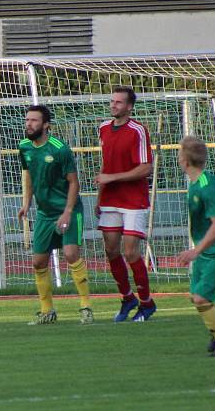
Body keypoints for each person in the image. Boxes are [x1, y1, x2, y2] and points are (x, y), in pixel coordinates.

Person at [17, 105, 93, 325]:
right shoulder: (24, 147)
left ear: (46, 125)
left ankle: (85, 307)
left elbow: (74, 182)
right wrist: (26, 203)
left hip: (68, 209)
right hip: (45, 213)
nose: (29, 124)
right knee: (38, 262)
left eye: (34, 120)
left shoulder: (60, 149)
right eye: (27, 120)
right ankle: (47, 311)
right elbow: (30, 175)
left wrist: (68, 212)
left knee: (70, 254)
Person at [95, 86, 157, 322]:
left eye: (119, 102)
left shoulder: (138, 130)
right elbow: (106, 164)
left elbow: (145, 168)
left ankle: (146, 303)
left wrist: (112, 178)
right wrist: (100, 196)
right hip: (110, 199)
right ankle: (127, 298)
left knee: (130, 251)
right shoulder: (103, 128)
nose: (114, 105)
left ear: (129, 107)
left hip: (133, 200)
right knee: (111, 250)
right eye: (112, 101)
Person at [176, 136, 215, 356]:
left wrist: (195, 250)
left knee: (202, 298)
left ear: (184, 160)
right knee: (196, 297)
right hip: (207, 251)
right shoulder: (194, 185)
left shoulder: (207, 186)